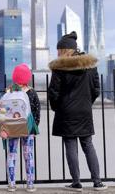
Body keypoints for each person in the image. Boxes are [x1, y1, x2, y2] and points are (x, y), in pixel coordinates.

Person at [48, 31, 107, 192]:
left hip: (66, 112)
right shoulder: (89, 65)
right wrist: (87, 103)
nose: (58, 53)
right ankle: (98, 182)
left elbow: (53, 92)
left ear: (64, 50)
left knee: (70, 145)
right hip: (84, 112)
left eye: (59, 50)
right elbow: (96, 89)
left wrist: (57, 107)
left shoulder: (60, 68)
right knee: (88, 145)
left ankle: (76, 183)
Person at [3, 63, 40, 192]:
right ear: (27, 78)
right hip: (27, 128)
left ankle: (12, 184)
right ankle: (30, 184)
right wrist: (34, 129)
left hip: (12, 128)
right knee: (28, 155)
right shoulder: (32, 93)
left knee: (11, 155)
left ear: (14, 77)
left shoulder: (9, 92)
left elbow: (4, 110)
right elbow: (36, 112)